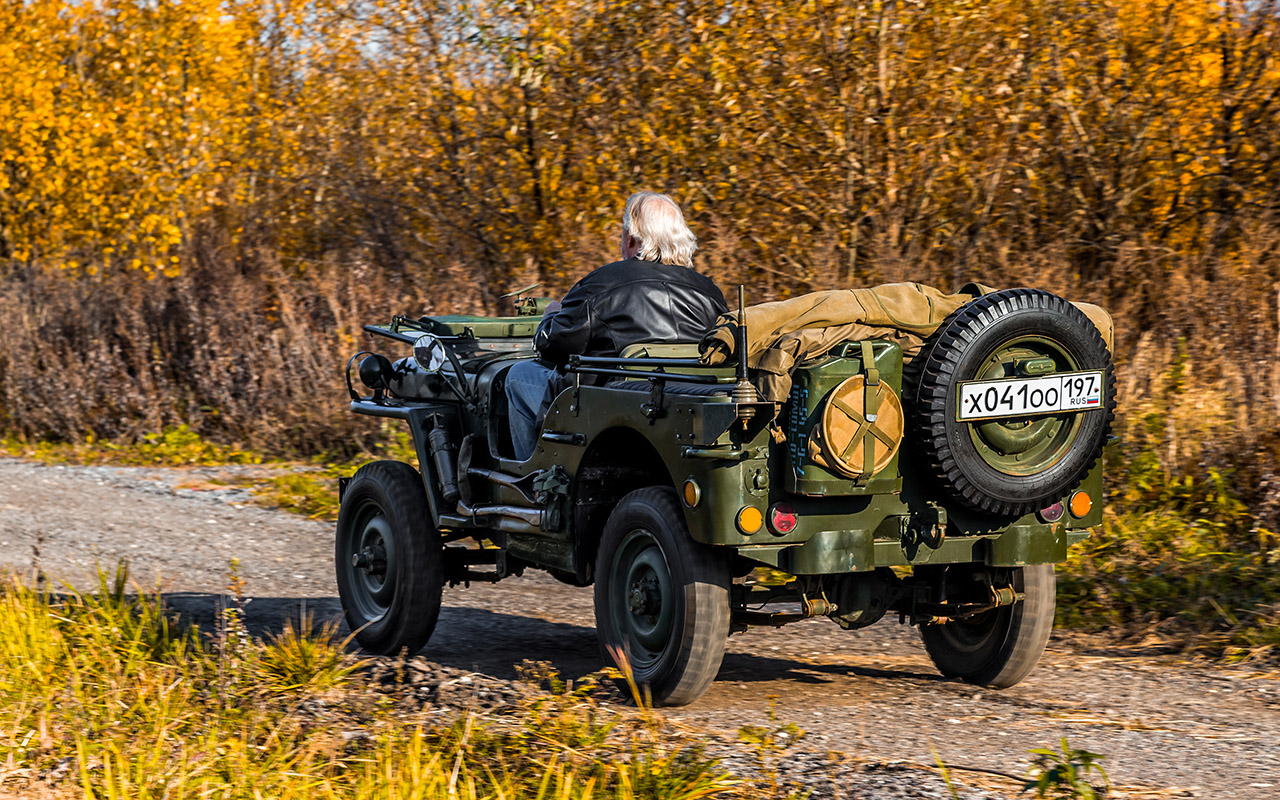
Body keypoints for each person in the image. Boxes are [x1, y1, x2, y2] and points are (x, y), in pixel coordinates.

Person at [505, 191, 728, 459]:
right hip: (686, 412)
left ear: (631, 239)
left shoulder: (603, 282)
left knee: (517, 375)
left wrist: (551, 316)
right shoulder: (710, 292)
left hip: (602, 412)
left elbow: (552, 347)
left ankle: (534, 482)